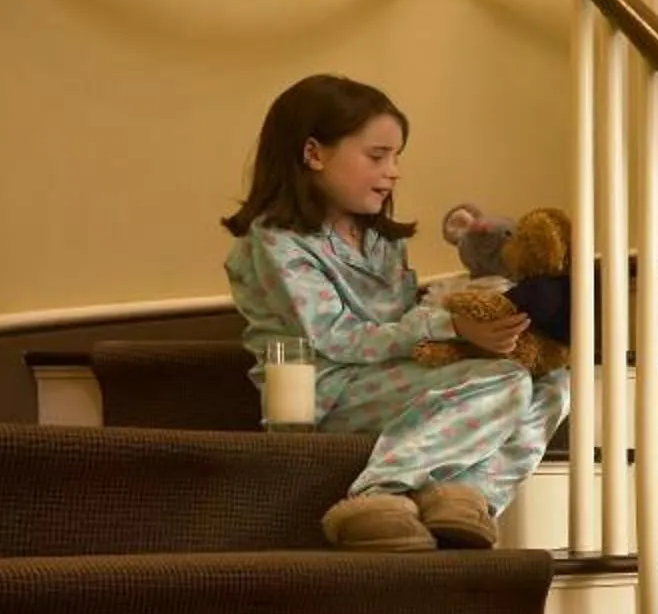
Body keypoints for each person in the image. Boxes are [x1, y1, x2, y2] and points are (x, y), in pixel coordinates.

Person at [222, 74, 570, 552]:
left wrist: (474, 313)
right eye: (377, 156)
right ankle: (379, 492)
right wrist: (449, 323)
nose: (394, 171)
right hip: (329, 390)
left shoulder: (380, 239)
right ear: (314, 153)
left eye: (397, 157)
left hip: (398, 372)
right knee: (505, 382)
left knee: (553, 382)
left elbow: (402, 318)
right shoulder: (275, 241)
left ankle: (466, 494)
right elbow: (337, 338)